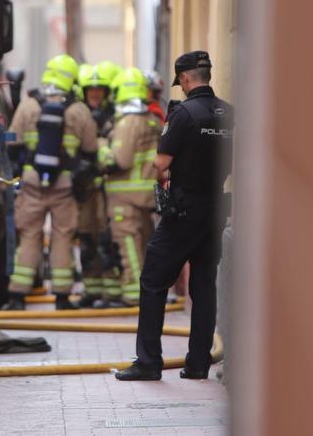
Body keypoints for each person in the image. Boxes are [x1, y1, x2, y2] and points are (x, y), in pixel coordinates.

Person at [116, 51, 233, 381]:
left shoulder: (183, 114)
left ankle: (149, 362)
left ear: (185, 79)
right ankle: (198, 363)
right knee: (204, 284)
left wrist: (162, 179)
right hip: (215, 210)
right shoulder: (230, 113)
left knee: (153, 280)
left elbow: (161, 164)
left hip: (183, 211)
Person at [4, 54, 98, 310]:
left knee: (30, 235)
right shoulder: (78, 110)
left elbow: (12, 141)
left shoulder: (29, 105)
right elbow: (91, 148)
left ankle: (17, 296)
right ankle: (62, 297)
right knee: (63, 237)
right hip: (65, 185)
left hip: (32, 181)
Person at [99, 68, 162, 307]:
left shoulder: (129, 123)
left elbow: (119, 160)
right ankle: (146, 293)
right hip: (144, 194)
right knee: (143, 244)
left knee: (128, 246)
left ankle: (135, 295)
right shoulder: (151, 120)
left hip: (124, 197)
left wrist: (102, 146)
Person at [75, 61, 121, 307]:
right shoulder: (78, 115)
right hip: (86, 189)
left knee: (106, 238)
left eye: (98, 90)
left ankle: (110, 292)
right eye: (90, 90)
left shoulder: (114, 116)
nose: (94, 94)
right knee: (86, 238)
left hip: (106, 188)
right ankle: (91, 290)